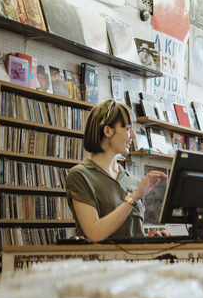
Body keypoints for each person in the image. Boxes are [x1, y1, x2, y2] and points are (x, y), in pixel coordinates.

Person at [66, 99, 169, 242]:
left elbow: (131, 236)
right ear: (108, 131)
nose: (133, 135)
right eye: (128, 128)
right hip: (101, 263)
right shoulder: (80, 175)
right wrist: (133, 198)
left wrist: (152, 240)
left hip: (136, 263)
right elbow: (94, 234)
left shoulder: (133, 182)